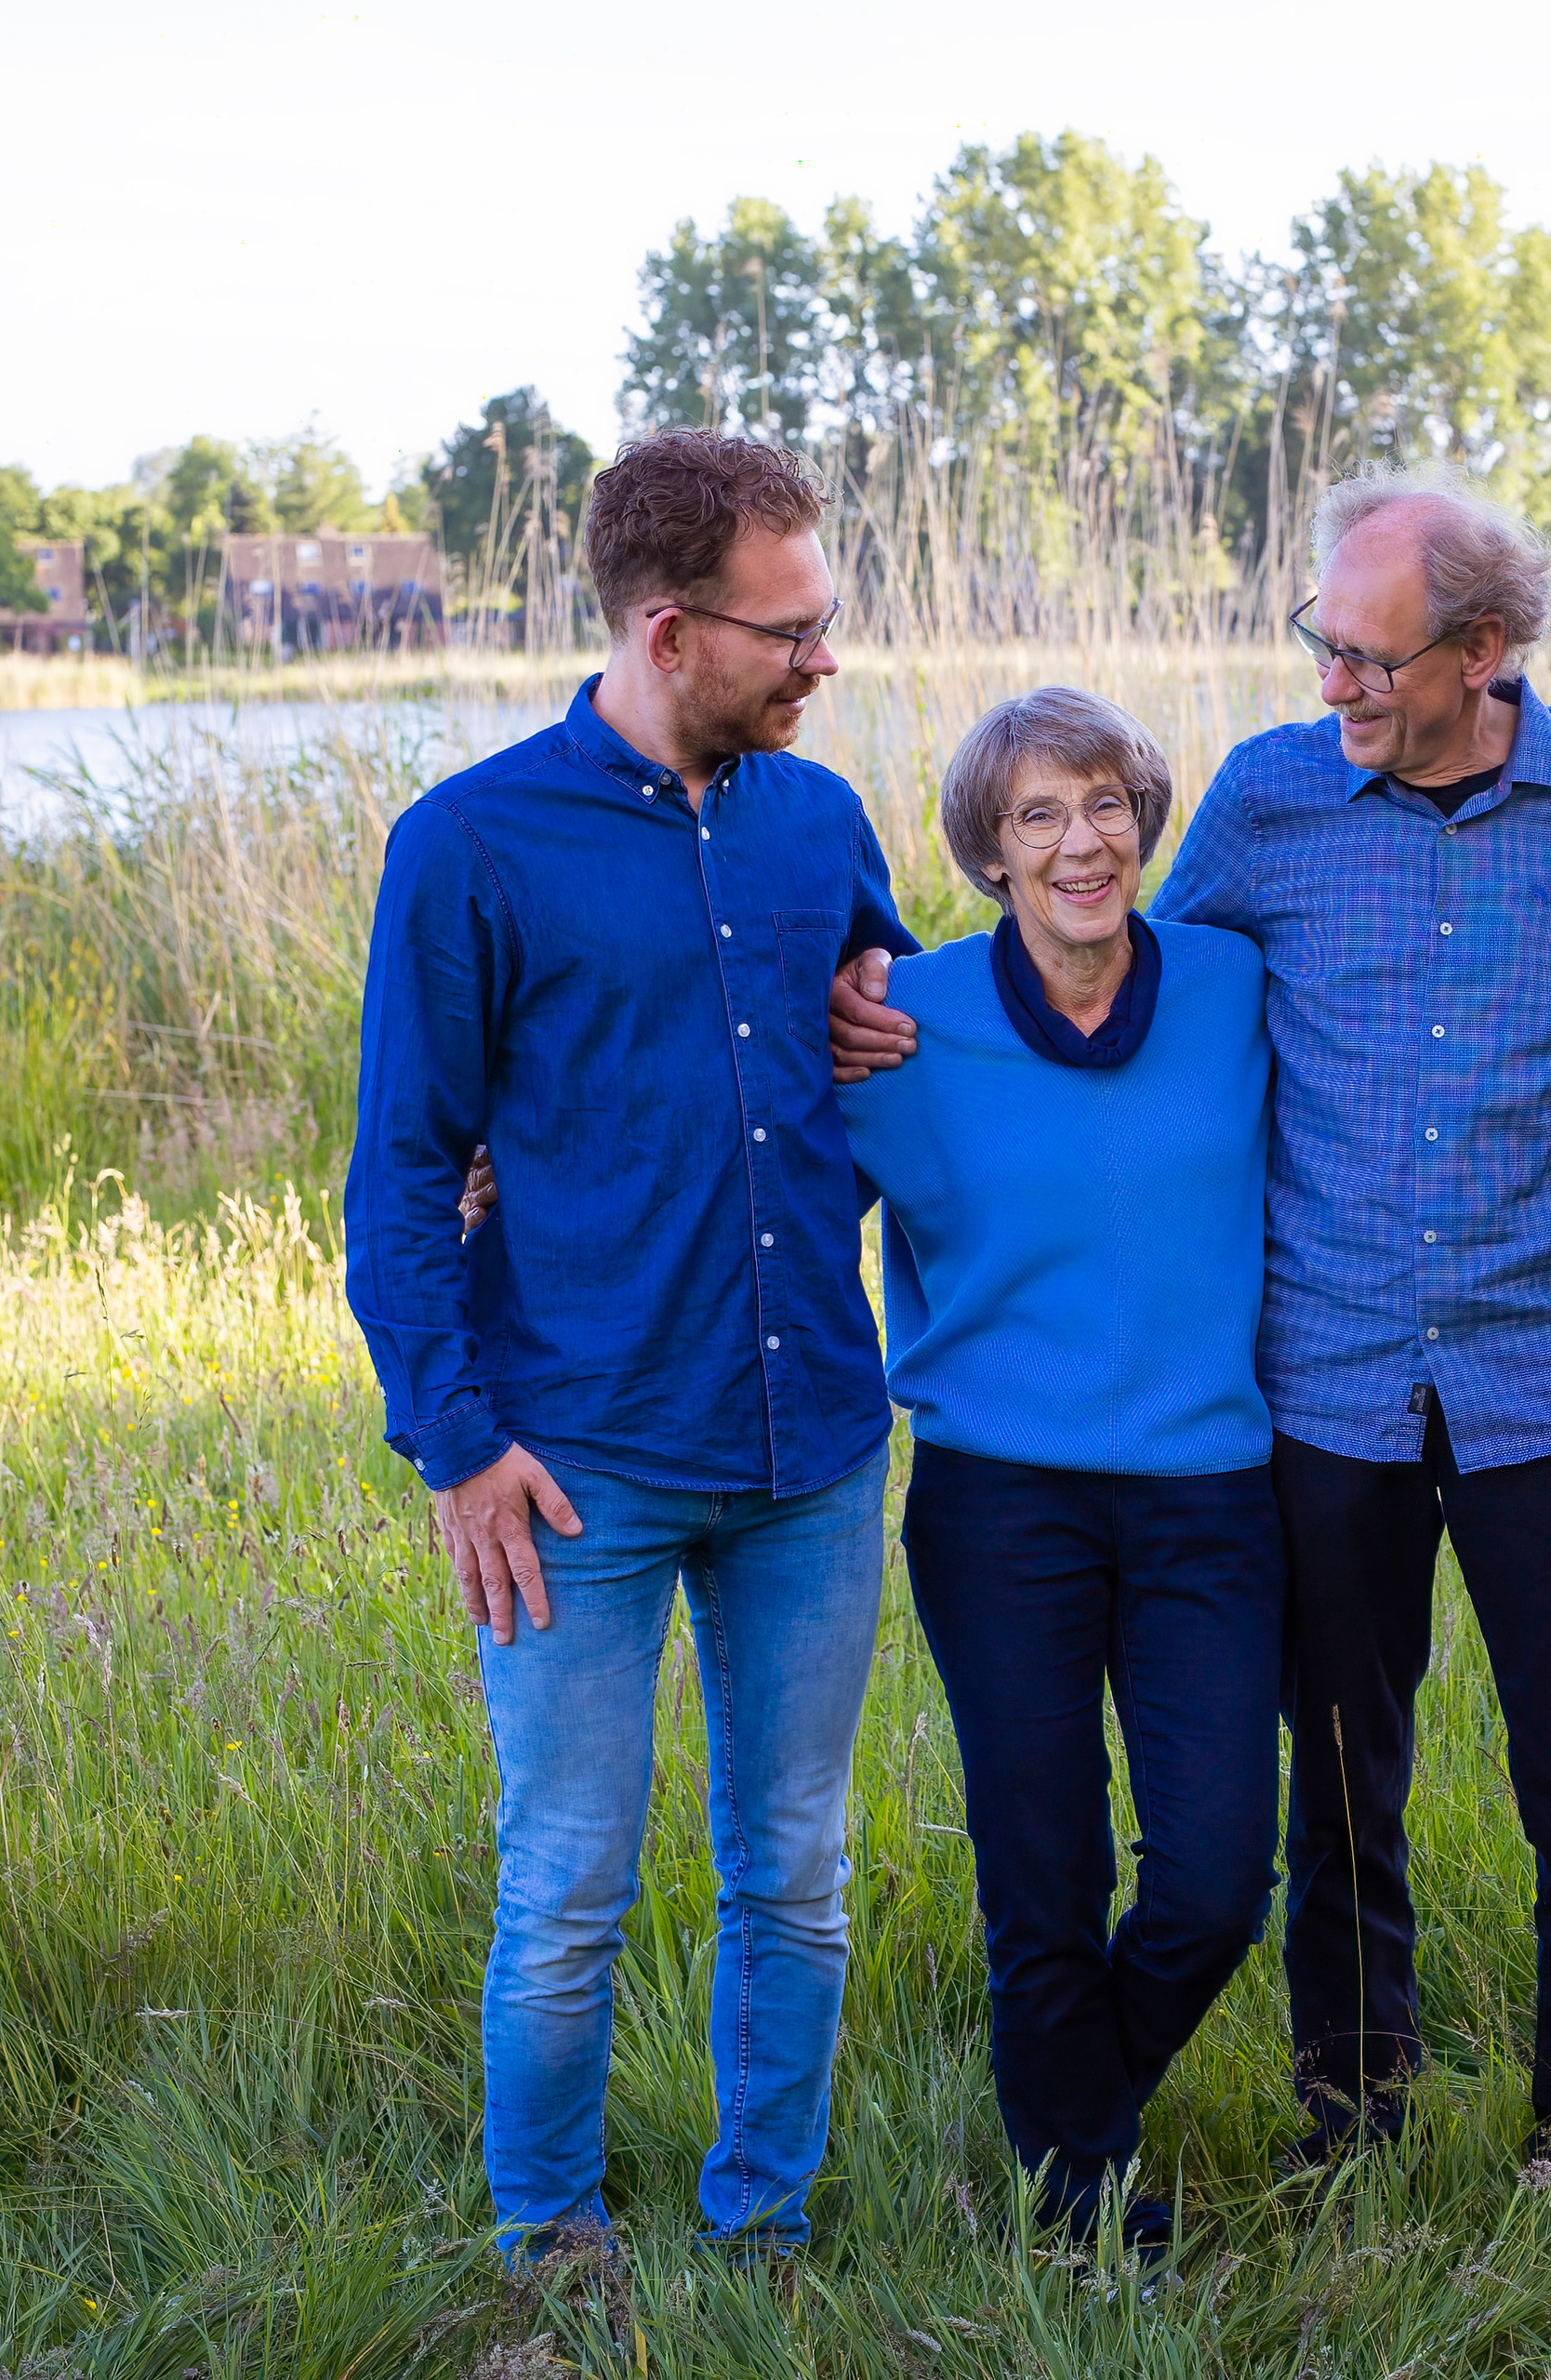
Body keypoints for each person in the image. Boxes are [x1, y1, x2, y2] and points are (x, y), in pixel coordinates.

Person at [835, 468, 1551, 2165]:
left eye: (1366, 660)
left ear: (1480, 652)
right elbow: (1126, 1010)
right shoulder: (1269, 801)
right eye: (1320, 646)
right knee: (1335, 1783)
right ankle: (1353, 2107)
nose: (1331, 685)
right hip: (1320, 1385)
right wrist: (881, 1011)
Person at [346, 430, 916, 2260]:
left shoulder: (817, 820)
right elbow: (400, 1172)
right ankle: (552, 2243)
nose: (824, 658)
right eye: (793, 629)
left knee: (798, 1876)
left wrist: (874, 1020)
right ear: (670, 630)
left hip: (814, 1437)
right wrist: (453, 1441)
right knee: (570, 1885)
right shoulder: (468, 847)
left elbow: (878, 1017)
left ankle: (763, 2226)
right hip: (575, 1466)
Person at [836, 686, 1280, 2257]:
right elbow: (738, 1150)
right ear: (989, 849)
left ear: (1147, 823)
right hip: (998, 1501)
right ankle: (1079, 2196)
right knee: (1044, 1862)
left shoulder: (1235, 985)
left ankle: (1072, 2089)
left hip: (1210, 1494)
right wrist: (493, 1176)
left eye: (1105, 804)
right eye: (1039, 815)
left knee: (1221, 1875)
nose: (1080, 841)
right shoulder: (900, 1021)